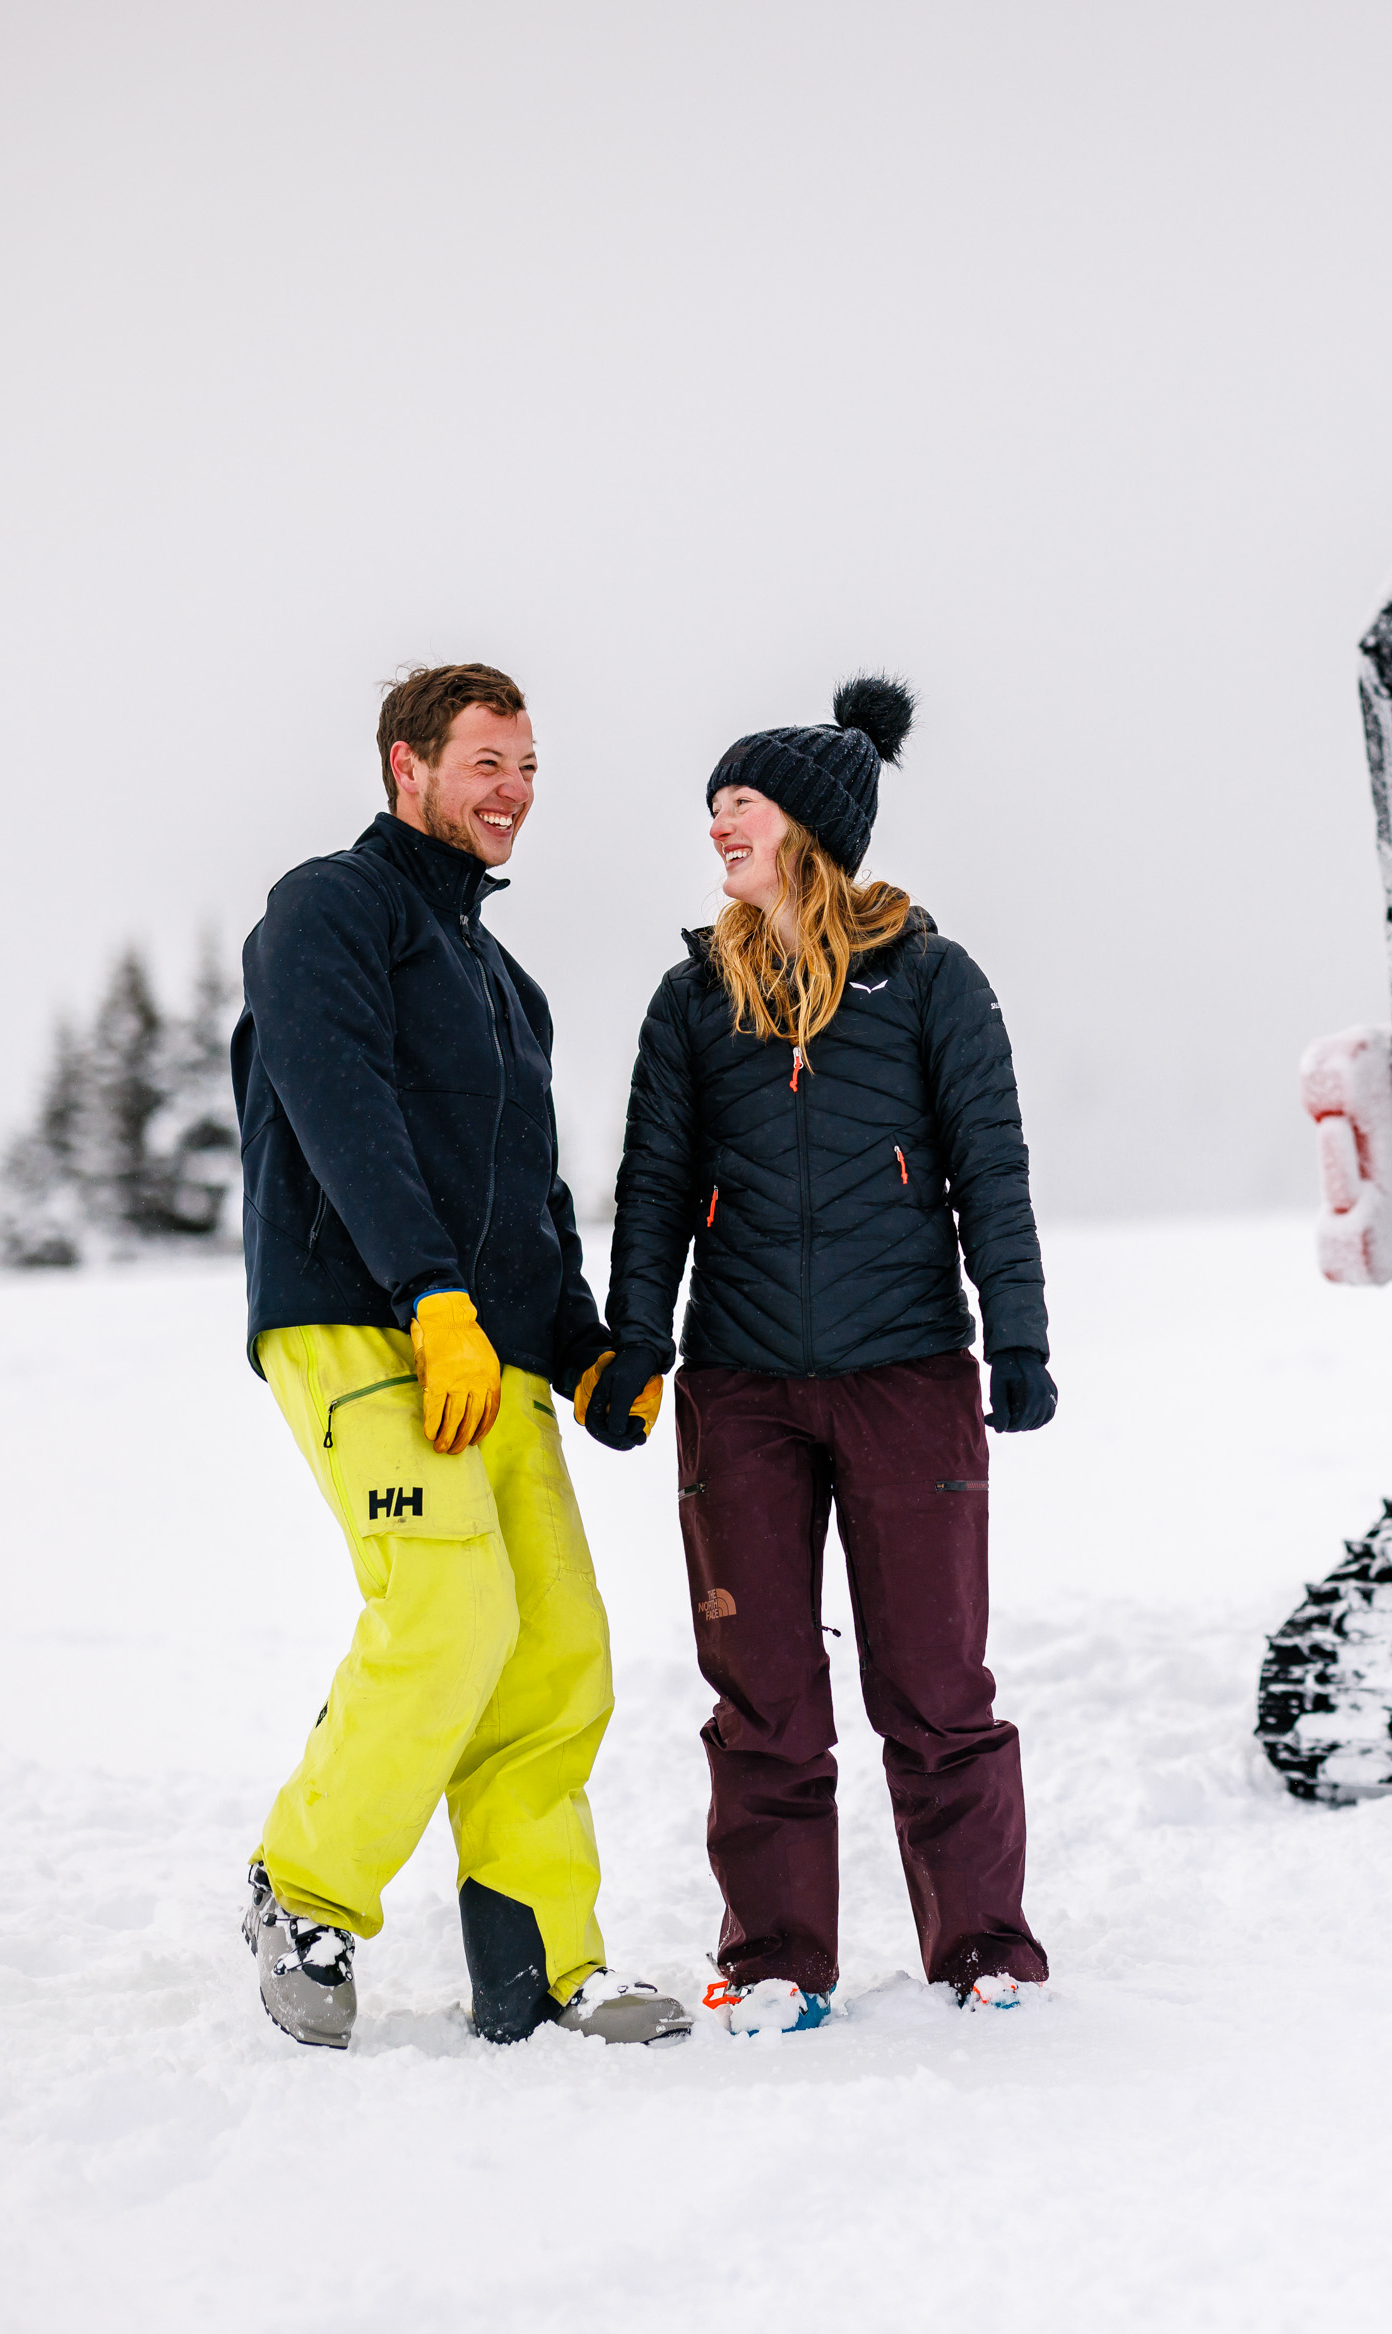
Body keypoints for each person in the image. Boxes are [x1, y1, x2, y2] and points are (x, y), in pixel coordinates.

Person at [230, 662, 688, 2051]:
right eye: (488, 760)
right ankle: (302, 1887)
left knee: (555, 1643)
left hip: (486, 1351)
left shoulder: (507, 985)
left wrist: (587, 1347)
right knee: (448, 1608)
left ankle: (541, 1959)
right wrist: (427, 1290)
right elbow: (333, 1094)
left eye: (530, 765)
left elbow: (530, 1200)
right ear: (406, 768)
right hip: (361, 1316)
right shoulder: (332, 909)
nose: (514, 791)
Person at [595, 675, 1055, 2036]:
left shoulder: (933, 980)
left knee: (935, 1685)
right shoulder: (693, 999)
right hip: (740, 1388)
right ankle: (779, 1957)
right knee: (763, 1696)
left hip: (907, 1373)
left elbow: (994, 1170)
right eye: (714, 808)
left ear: (806, 824)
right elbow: (655, 1187)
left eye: (737, 803)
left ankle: (984, 1948)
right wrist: (634, 1348)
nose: (717, 826)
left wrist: (1015, 1334)